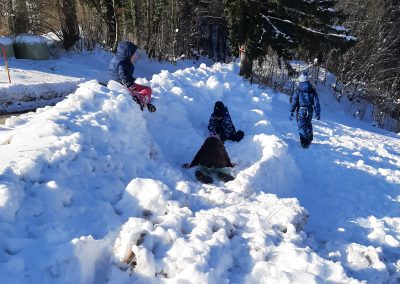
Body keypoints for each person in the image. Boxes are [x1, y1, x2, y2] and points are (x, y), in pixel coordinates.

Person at [108, 41, 156, 112]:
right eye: (133, 54)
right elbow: (124, 77)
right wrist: (133, 88)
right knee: (148, 89)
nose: (135, 56)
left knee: (146, 89)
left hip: (118, 83)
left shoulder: (119, 60)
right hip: (123, 85)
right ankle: (141, 99)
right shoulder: (122, 64)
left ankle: (141, 98)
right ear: (127, 53)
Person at [289, 71, 321, 148]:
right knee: (308, 124)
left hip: (301, 110)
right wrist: (317, 112)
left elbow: (294, 101)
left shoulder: (298, 89)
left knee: (301, 126)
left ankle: (305, 142)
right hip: (310, 110)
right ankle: (309, 139)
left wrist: (291, 111)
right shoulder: (312, 89)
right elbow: (316, 102)